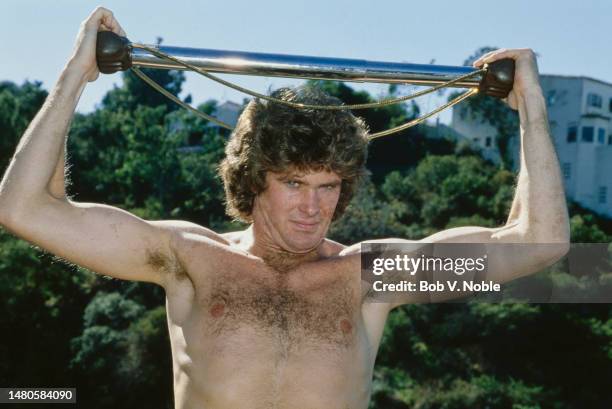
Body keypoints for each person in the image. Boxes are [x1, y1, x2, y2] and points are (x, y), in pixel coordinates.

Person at [0, 7, 570, 409]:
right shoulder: (190, 259)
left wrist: (531, 108)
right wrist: (77, 73)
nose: (313, 206)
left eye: (329, 186)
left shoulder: (370, 275)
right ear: (254, 182)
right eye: (294, 183)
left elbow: (540, 244)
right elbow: (25, 207)